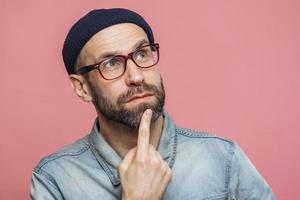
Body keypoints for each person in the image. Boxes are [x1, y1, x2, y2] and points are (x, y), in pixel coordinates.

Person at [30, 8, 276, 200]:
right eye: (111, 63)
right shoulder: (55, 179)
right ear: (82, 87)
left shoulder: (223, 158)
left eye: (142, 54)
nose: (136, 76)